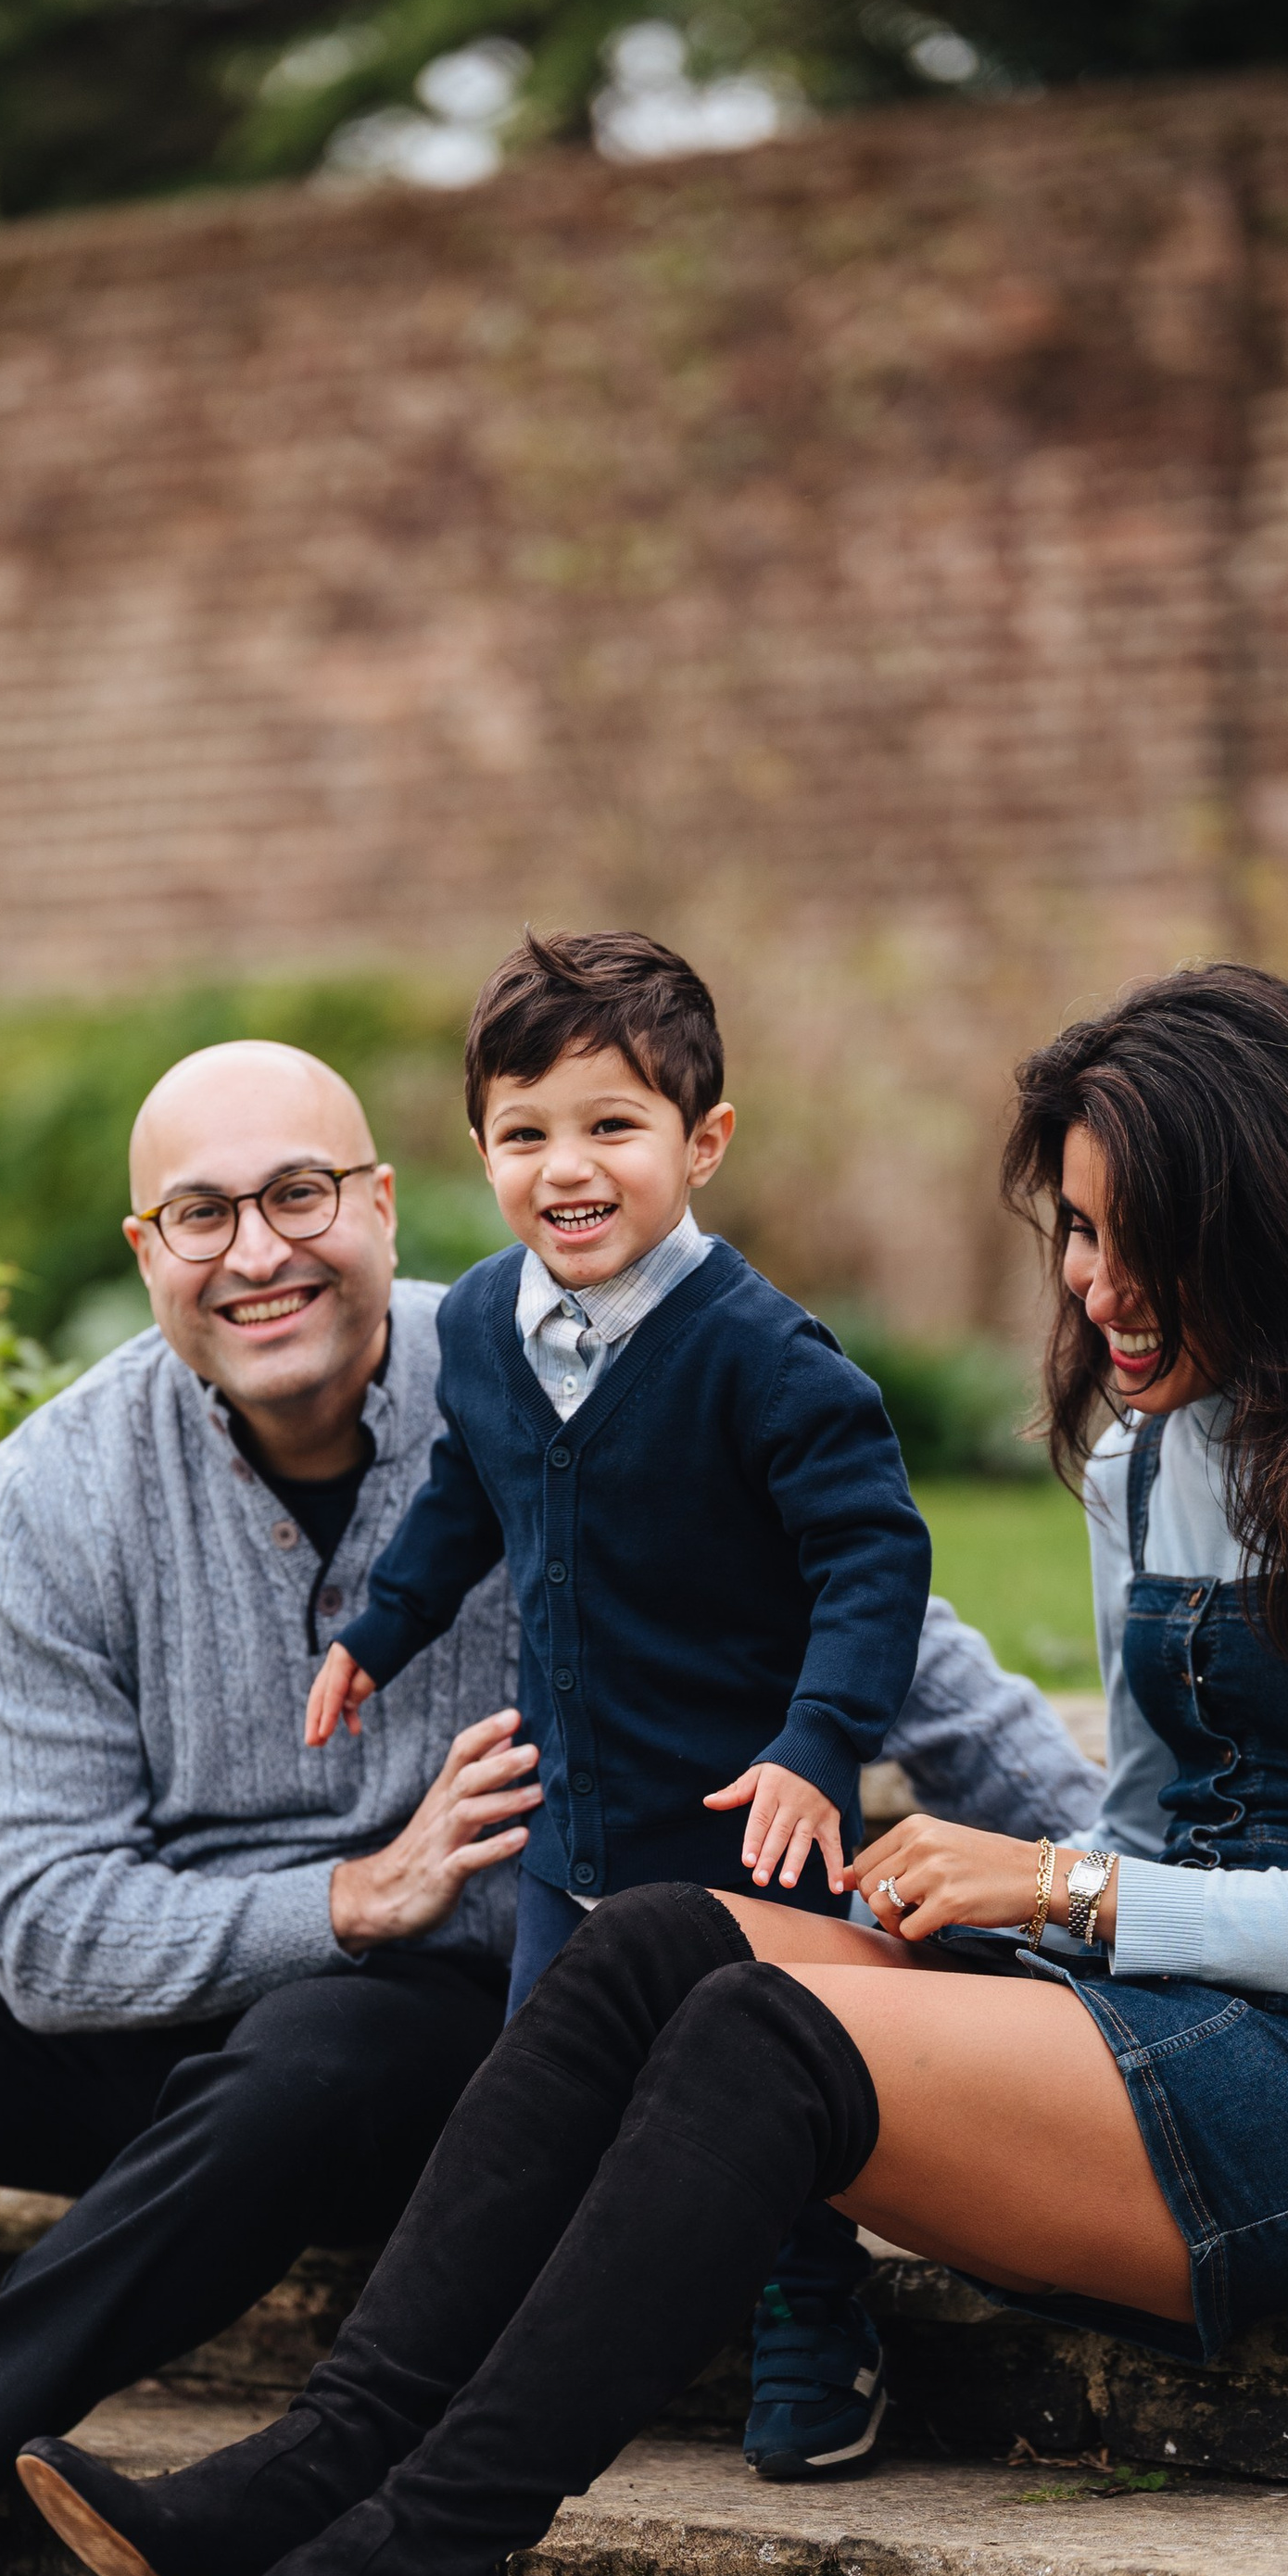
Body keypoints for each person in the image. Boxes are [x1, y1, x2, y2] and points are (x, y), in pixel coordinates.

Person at [47, 964, 1288, 2576]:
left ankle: (417, 2569)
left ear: (1269, 1222)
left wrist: (1064, 1890)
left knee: (766, 2032)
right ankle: (320, 2471)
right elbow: (1163, 1811)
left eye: (1134, 1240)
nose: (1089, 1288)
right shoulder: (1143, 1450)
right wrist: (1036, 1898)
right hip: (1148, 2005)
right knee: (648, 1943)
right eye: (1072, 1234)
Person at [0, 1034, 1096, 2576]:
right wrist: (346, 1897)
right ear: (148, 1251)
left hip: (453, 2043)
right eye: (203, 1216)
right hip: (168, 2009)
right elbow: (48, 1941)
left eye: (300, 1195)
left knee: (322, 2042)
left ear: (382, 1201)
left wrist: (1123, 1890)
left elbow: (894, 1643)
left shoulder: (563, 1372)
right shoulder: (62, 1484)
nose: (260, 1253)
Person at [309, 929, 930, 2483]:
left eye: (611, 1127)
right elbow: (465, 1489)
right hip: (574, 1830)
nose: (564, 1169)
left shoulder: (763, 1358)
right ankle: (513, 2347)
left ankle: (812, 2309)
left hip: (740, 1826)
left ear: (701, 1142)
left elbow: (875, 1556)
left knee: (753, 2098)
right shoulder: (479, 1331)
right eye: (525, 1135)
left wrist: (818, 1746)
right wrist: (379, 1629)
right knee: (539, 2101)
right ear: (480, 1153)